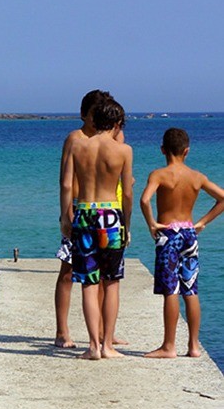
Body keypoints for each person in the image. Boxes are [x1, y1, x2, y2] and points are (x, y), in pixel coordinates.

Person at [140, 128, 224, 359]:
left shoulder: (159, 174)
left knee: (171, 291)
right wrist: (202, 222)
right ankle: (194, 346)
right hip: (189, 234)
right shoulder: (197, 177)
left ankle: (169, 346)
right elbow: (223, 197)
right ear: (187, 151)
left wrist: (152, 224)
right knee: (191, 289)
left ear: (162, 150)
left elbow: (145, 199)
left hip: (168, 235)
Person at [53, 90, 128, 348]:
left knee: (104, 276)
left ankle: (105, 333)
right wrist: (66, 213)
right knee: (70, 271)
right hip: (77, 207)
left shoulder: (113, 137)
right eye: (94, 113)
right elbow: (64, 180)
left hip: (100, 210)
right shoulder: (75, 139)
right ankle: (62, 330)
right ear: (85, 114)